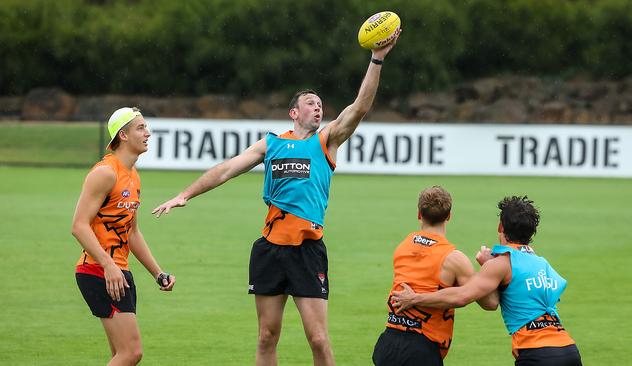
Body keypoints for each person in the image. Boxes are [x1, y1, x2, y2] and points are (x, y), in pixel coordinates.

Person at [151, 33, 400, 365]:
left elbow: (360, 107)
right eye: (310, 103)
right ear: (293, 113)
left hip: (307, 250)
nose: (318, 106)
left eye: (320, 103)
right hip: (270, 249)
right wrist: (185, 194)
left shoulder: (327, 140)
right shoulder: (270, 144)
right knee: (267, 336)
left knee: (319, 339)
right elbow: (226, 170)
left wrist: (377, 58)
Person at [391, 196, 582, 366]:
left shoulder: (502, 264)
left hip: (537, 353)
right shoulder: (542, 264)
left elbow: (462, 296)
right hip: (568, 349)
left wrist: (415, 299)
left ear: (501, 227)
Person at [71, 107, 176, 366]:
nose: (148, 133)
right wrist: (108, 266)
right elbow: (79, 225)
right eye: (141, 128)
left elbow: (132, 232)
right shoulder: (105, 172)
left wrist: (157, 273)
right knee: (131, 353)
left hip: (118, 271)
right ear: (124, 135)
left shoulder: (133, 176)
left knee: (121, 356)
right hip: (99, 271)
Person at [372, 186, 499, 366]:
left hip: (388, 343)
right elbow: (490, 303)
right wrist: (489, 265)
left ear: (419, 214)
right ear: (449, 216)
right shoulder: (454, 259)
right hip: (421, 349)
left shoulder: (403, 247)